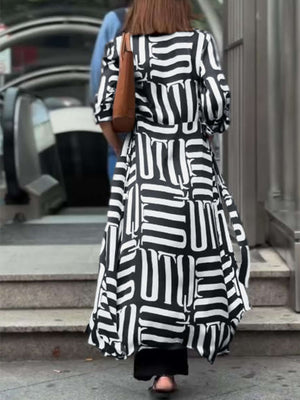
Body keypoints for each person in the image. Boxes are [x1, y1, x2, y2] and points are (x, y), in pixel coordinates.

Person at [86, 0, 251, 395]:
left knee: (149, 267)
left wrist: (123, 152)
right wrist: (196, 126)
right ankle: (173, 362)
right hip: (190, 165)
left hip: (142, 166)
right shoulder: (199, 44)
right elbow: (217, 109)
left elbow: (104, 111)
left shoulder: (123, 46)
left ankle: (159, 369)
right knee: (186, 265)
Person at [89, 3, 130, 181]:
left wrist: (106, 125)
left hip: (124, 116)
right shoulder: (178, 23)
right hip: (168, 123)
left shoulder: (117, 19)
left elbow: (98, 72)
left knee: (119, 162)